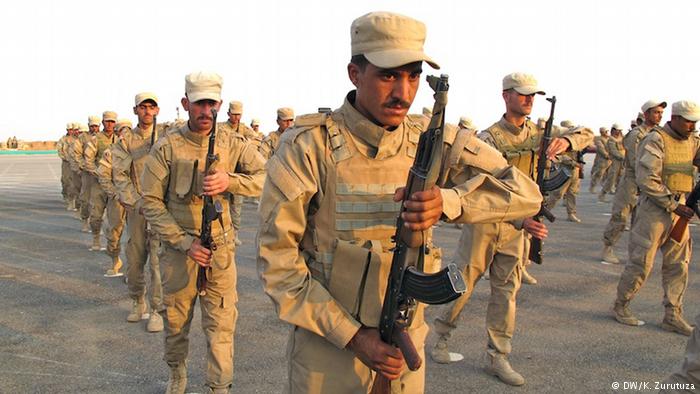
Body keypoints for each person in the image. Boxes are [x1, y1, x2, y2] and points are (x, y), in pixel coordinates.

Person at [256, 13, 543, 393]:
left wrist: (450, 201)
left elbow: (526, 193)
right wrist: (355, 337)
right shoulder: (308, 147)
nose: (403, 92)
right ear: (355, 74)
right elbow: (277, 263)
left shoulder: (434, 140)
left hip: (404, 343)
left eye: (413, 76)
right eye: (388, 75)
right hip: (327, 348)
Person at [431, 72, 593, 386]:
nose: (529, 100)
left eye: (532, 95)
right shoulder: (487, 140)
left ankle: (498, 356)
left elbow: (586, 135)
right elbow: (479, 190)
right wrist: (521, 217)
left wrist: (568, 141)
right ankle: (441, 338)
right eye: (522, 94)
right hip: (486, 225)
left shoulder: (542, 132)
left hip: (517, 231)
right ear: (506, 95)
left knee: (506, 294)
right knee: (462, 285)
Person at [140, 71, 266, 394]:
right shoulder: (168, 147)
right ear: (185, 103)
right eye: (199, 104)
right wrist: (184, 243)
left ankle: (219, 387)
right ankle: (177, 374)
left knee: (221, 325)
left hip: (220, 252)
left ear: (220, 104)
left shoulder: (233, 143)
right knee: (177, 323)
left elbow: (267, 176)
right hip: (180, 252)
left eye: (212, 103)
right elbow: (150, 201)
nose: (206, 111)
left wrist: (231, 181)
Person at [612, 100, 700, 336]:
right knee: (642, 263)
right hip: (655, 209)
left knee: (678, 265)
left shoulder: (693, 140)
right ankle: (621, 305)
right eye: (688, 121)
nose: (692, 126)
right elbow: (647, 179)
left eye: (695, 122)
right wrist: (672, 205)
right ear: (676, 118)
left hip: (682, 208)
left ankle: (672, 314)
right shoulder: (656, 139)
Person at [112, 92, 165, 332]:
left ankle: (156, 309)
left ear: (157, 110)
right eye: (142, 107)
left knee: (157, 262)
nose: (146, 111)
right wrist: (134, 202)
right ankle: (137, 300)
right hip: (138, 210)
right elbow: (120, 175)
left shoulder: (166, 137)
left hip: (162, 210)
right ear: (135, 111)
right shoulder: (126, 141)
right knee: (134, 260)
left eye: (151, 107)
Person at [601, 101, 666, 263]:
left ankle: (635, 255)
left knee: (641, 221)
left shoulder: (659, 134)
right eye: (656, 112)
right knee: (620, 217)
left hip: (648, 182)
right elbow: (636, 160)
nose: (660, 115)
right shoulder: (637, 134)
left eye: (661, 112)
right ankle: (607, 248)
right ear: (646, 115)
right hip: (632, 181)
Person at [218, 100, 259, 245]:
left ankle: (234, 233)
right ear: (228, 113)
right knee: (221, 207)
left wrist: (246, 144)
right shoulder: (221, 128)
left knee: (237, 207)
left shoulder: (244, 129)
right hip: (223, 172)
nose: (236, 117)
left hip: (239, 176)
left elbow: (257, 139)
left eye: (239, 115)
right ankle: (223, 232)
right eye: (234, 114)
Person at [97, 119, 132, 277]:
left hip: (137, 200)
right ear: (117, 134)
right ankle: (115, 259)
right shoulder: (110, 152)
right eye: (122, 130)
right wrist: (115, 194)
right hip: (117, 199)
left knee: (137, 238)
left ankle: (133, 271)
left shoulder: (141, 151)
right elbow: (103, 176)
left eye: (128, 130)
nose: (125, 133)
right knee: (114, 232)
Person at [84, 111, 118, 251]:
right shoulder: (96, 139)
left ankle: (113, 246)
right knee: (96, 214)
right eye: (107, 121)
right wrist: (98, 173)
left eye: (112, 121)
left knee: (115, 219)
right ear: (102, 123)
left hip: (116, 184)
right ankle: (96, 237)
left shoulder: (121, 139)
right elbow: (89, 159)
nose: (109, 124)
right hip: (98, 183)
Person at [545, 120, 587, 223]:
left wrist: (579, 164)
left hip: (575, 170)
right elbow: (560, 156)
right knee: (558, 193)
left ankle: (571, 213)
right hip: (564, 169)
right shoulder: (559, 141)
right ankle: (545, 210)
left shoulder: (574, 141)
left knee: (572, 193)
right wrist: (573, 163)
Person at [599, 124, 625, 203]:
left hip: (623, 161)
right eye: (618, 130)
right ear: (613, 130)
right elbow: (613, 151)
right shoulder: (611, 140)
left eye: (620, 131)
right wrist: (622, 157)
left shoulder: (621, 138)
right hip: (616, 161)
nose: (619, 132)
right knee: (612, 178)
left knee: (622, 179)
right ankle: (602, 194)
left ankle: (619, 196)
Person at [589, 127, 611, 193]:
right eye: (606, 131)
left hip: (610, 160)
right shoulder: (599, 139)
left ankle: (607, 188)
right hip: (603, 160)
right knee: (599, 174)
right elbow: (601, 148)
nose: (608, 133)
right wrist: (607, 155)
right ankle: (592, 187)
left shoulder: (609, 139)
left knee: (610, 175)